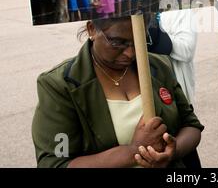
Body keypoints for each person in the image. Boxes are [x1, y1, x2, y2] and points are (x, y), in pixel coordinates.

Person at [32, 16, 204, 168]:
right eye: (118, 42)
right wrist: (134, 151)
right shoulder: (60, 86)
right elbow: (55, 162)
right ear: (92, 29)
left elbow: (191, 125)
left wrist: (171, 151)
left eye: (138, 41)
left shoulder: (158, 67)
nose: (130, 53)